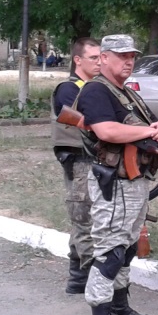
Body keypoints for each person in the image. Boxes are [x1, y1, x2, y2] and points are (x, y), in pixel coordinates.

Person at [73, 34, 158, 315]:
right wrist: (151, 131)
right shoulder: (96, 90)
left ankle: (119, 308)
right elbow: (107, 131)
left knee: (127, 248)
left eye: (132, 56)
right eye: (121, 56)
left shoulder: (126, 92)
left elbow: (148, 126)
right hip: (113, 184)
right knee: (110, 253)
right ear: (103, 58)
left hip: (134, 181)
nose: (129, 61)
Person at [50, 37, 102, 294]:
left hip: (93, 161)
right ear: (78, 60)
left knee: (88, 219)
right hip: (80, 162)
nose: (99, 62)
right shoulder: (68, 89)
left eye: (101, 57)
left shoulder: (93, 87)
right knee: (85, 221)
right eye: (94, 58)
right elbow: (89, 121)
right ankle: (93, 282)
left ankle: (78, 279)